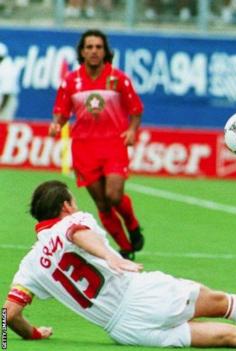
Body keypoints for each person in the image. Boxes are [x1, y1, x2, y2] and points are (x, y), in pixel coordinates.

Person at [3, 180, 236, 350]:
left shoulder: (29, 265)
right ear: (65, 205)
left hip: (124, 330)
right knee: (221, 303)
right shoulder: (71, 220)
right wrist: (110, 256)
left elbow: (10, 316)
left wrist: (33, 334)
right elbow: (79, 234)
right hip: (141, 294)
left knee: (229, 338)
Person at [49, 29, 145, 260]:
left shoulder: (118, 78)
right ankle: (125, 247)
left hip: (113, 145)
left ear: (105, 51)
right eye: (89, 47)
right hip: (84, 148)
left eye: (98, 47)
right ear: (82, 51)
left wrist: (131, 131)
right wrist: (56, 125)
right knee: (102, 203)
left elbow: (136, 109)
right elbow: (61, 113)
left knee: (113, 195)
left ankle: (132, 225)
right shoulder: (71, 81)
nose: (94, 51)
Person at [0, 42, 20, 122]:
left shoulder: (7, 69)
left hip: (6, 102)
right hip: (3, 100)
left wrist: (1, 109)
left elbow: (7, 93)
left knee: (3, 125)